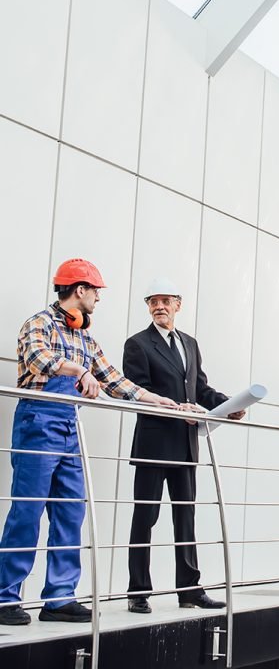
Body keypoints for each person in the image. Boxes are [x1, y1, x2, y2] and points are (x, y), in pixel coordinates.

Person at [0, 259, 178, 627]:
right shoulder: (39, 324)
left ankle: (60, 597)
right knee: (27, 512)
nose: (98, 298)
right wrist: (77, 370)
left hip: (68, 428)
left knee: (71, 512)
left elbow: (114, 381)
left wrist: (155, 399)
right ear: (79, 290)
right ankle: (5, 597)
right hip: (38, 420)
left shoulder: (86, 339)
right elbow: (38, 358)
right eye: (96, 291)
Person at [124, 278, 244, 613]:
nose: (159, 307)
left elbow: (200, 390)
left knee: (186, 519)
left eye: (165, 301)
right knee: (145, 517)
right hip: (154, 443)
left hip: (187, 445)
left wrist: (229, 404)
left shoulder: (190, 343)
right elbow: (139, 392)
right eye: (153, 302)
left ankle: (189, 589)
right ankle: (138, 592)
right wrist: (180, 412)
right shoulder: (137, 344)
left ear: (178, 304)